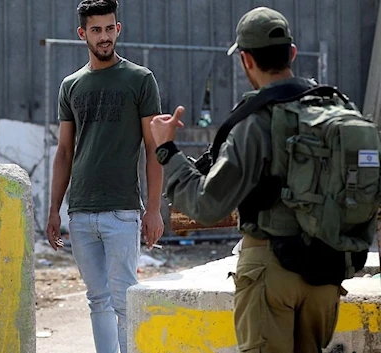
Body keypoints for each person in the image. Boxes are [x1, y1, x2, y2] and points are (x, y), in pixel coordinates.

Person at [149, 7, 373, 352]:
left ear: (246, 60)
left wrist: (166, 149)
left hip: (271, 269)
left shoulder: (255, 123)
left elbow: (206, 205)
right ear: (292, 54)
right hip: (327, 271)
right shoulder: (337, 112)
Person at [45, 1, 164, 352]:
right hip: (80, 211)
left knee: (126, 299)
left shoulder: (140, 79)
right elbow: (64, 151)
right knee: (96, 300)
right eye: (96, 30)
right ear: (83, 34)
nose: (104, 36)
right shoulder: (71, 85)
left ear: (118, 29)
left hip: (122, 209)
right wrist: (55, 208)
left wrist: (154, 208)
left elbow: (153, 148)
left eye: (109, 28)